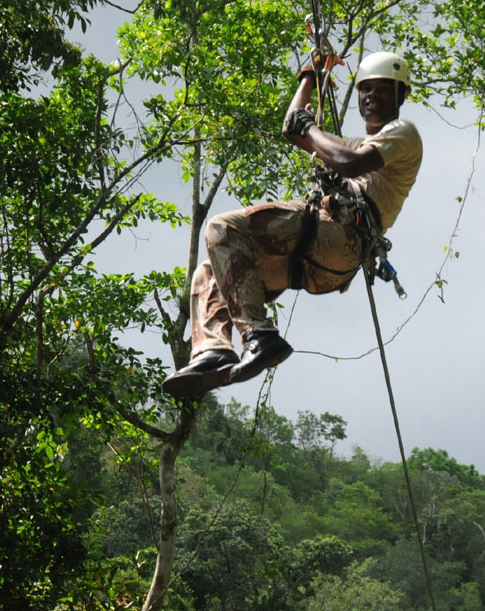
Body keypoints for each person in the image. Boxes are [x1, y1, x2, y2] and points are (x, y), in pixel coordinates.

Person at [163, 51, 423, 399]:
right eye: (366, 89)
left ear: (401, 95)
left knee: (222, 228)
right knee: (208, 274)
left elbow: (349, 162)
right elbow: (292, 127)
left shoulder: (402, 133)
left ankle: (258, 335)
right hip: (320, 259)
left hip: (341, 234)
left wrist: (311, 128)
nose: (371, 96)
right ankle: (213, 350)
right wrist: (309, 78)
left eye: (383, 89)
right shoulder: (352, 144)